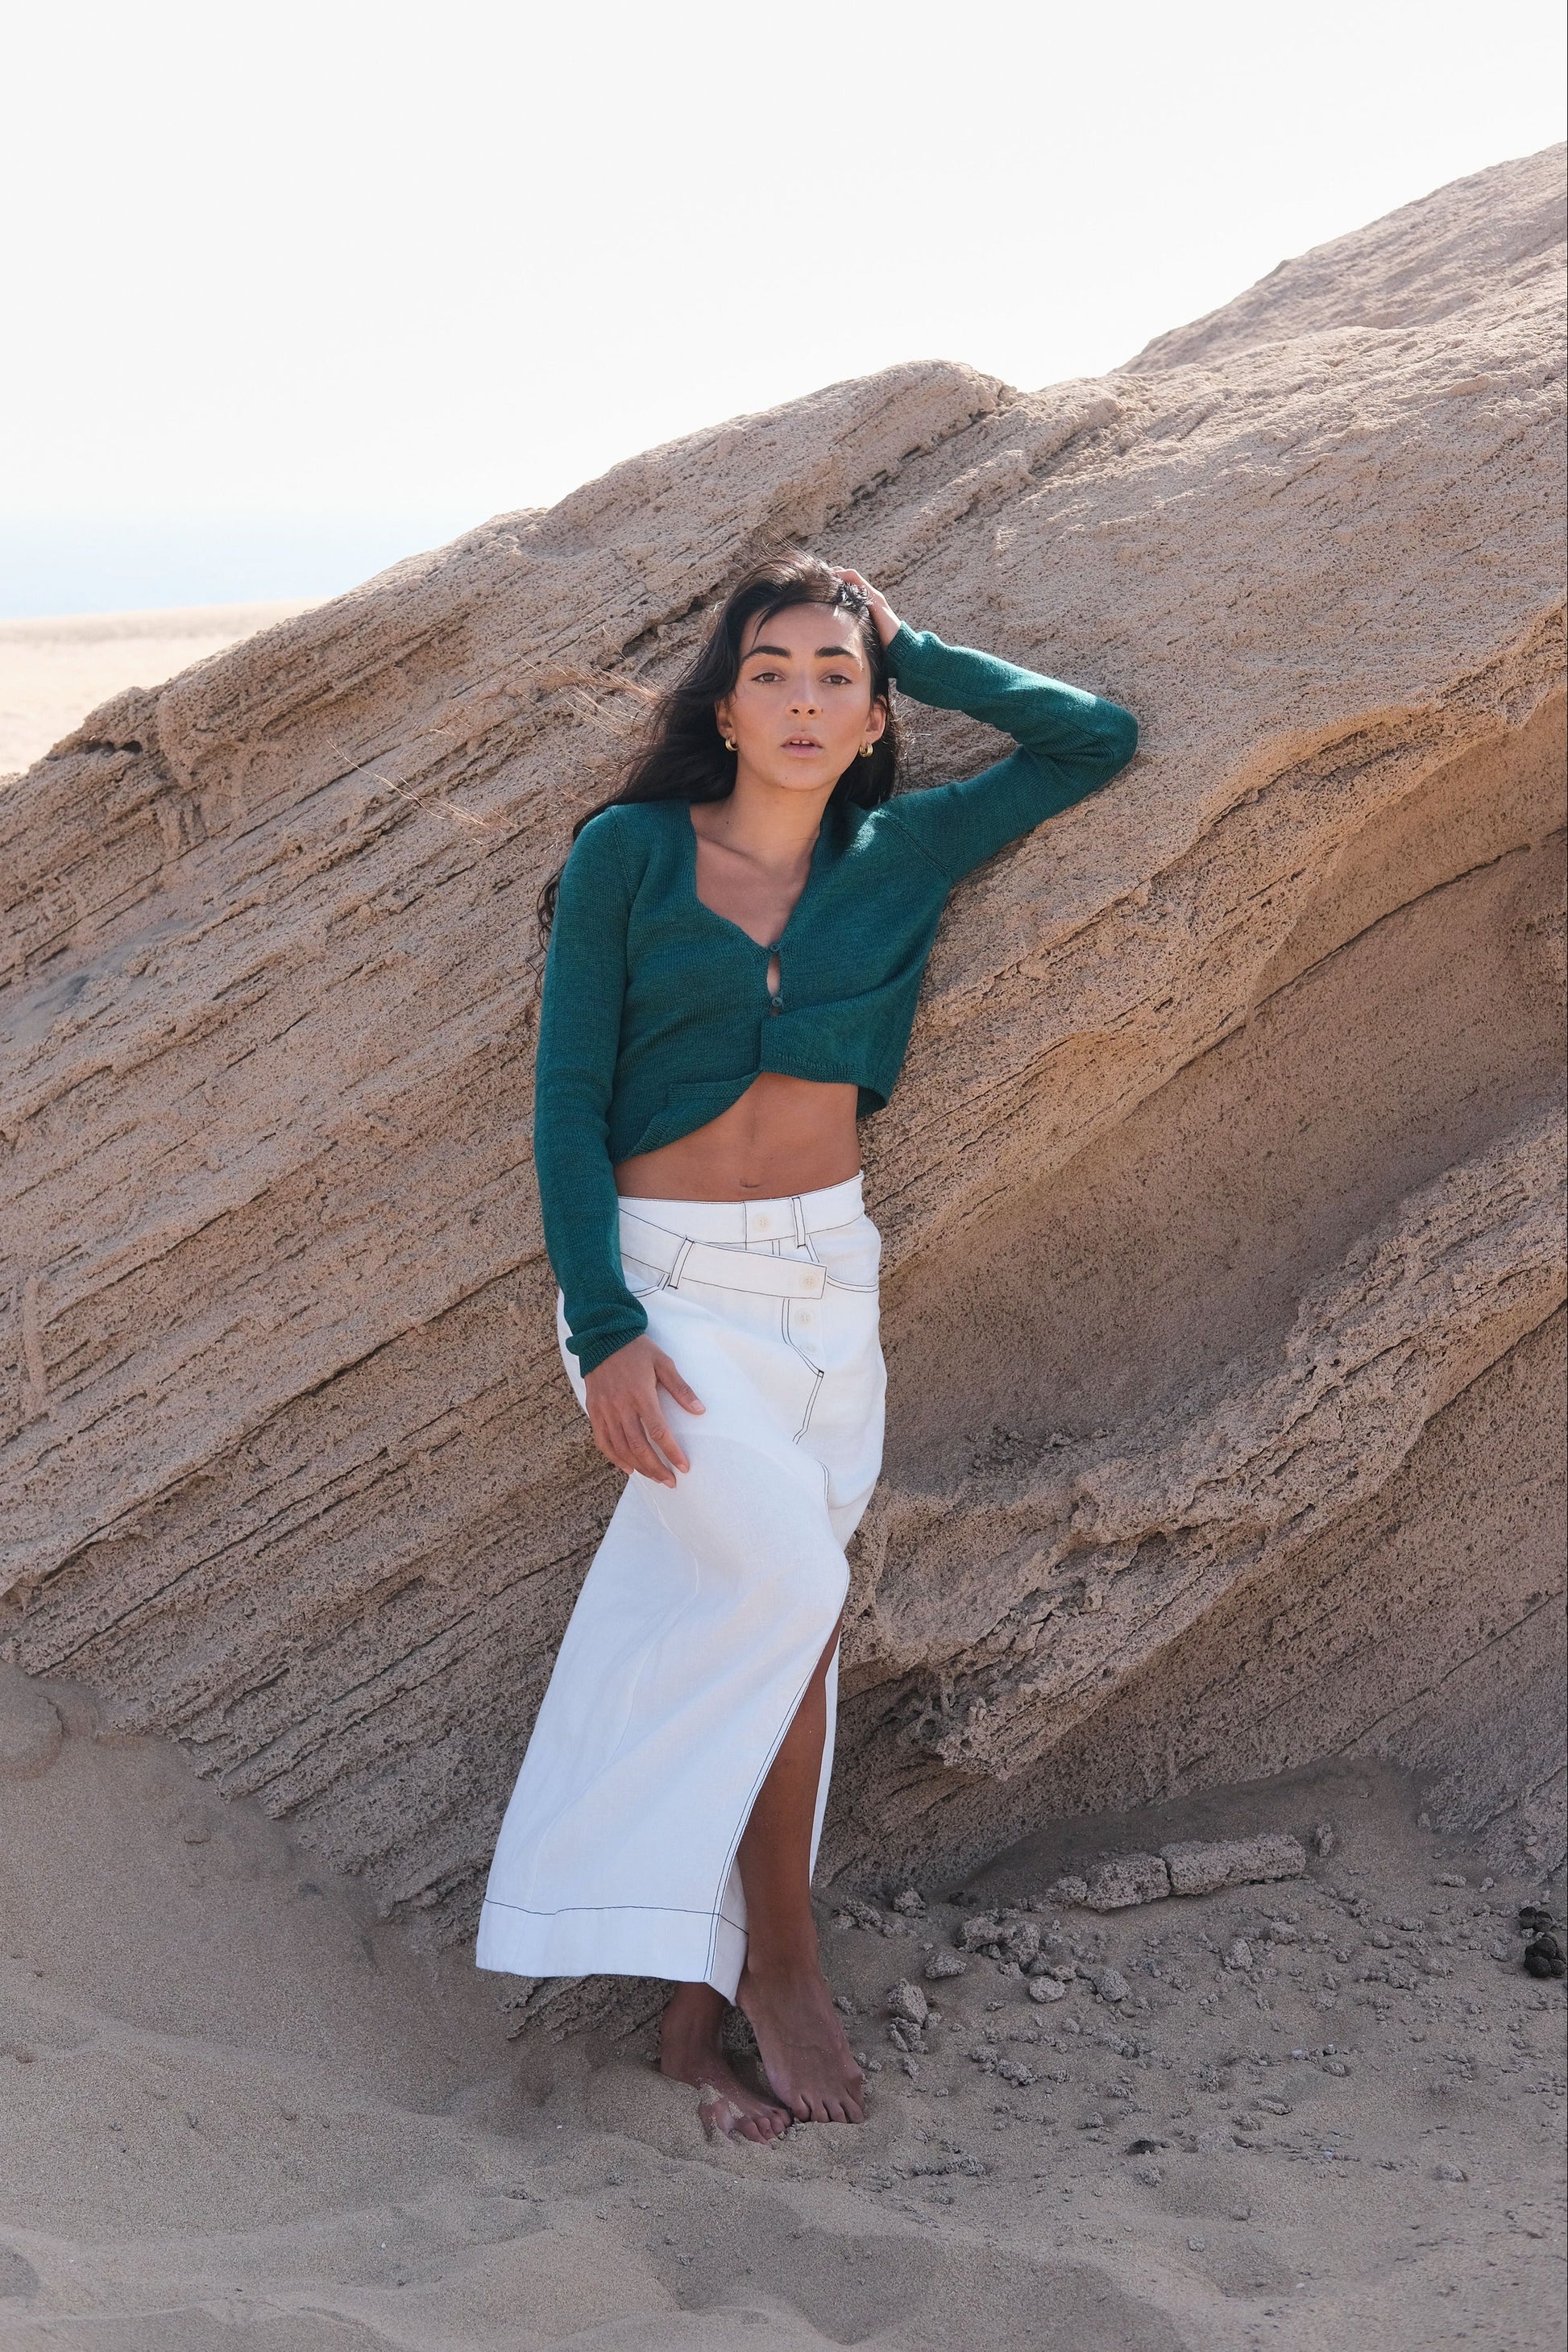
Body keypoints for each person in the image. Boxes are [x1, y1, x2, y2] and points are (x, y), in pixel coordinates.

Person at [476, 554, 1138, 2142]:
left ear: (869, 712)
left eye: (835, 674)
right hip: (669, 1291)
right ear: (723, 700)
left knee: (787, 1644)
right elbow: (566, 1104)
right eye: (770, 668)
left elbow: (1093, 740)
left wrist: (919, 640)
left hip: (828, 1295)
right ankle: (782, 1957)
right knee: (790, 1593)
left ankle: (689, 2027)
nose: (800, 697)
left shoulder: (903, 849)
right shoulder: (630, 853)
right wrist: (608, 1323)